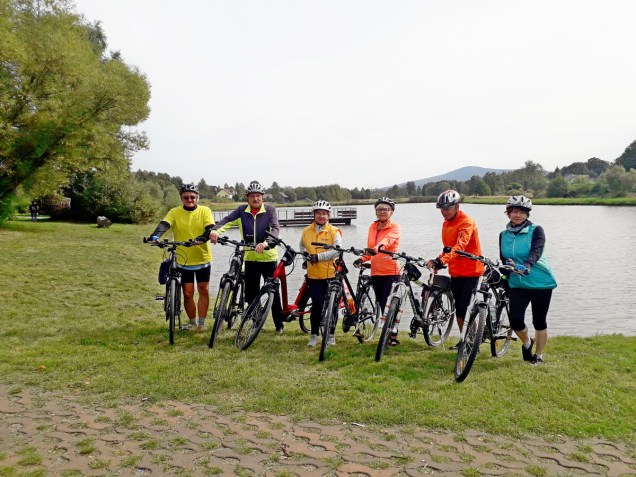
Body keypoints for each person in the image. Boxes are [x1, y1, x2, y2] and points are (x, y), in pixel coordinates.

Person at [204, 181, 285, 333]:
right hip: (250, 258)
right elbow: (227, 221)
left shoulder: (270, 210)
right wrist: (215, 230)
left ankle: (279, 325)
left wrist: (266, 243)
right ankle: (256, 320)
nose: (256, 199)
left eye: (258, 196)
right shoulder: (242, 210)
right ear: (247, 198)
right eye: (252, 196)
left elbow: (275, 229)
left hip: (269, 258)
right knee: (251, 294)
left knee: (273, 292)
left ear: (262, 197)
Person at [499, 195, 557, 365]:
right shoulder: (503, 235)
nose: (517, 215)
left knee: (539, 321)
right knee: (515, 320)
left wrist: (527, 265)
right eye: (514, 211)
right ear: (508, 213)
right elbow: (504, 259)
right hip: (517, 283)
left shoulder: (536, 230)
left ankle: (538, 355)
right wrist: (504, 276)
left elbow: (536, 251)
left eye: (521, 212)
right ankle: (527, 342)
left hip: (540, 283)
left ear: (527, 214)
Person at [148, 183, 214, 331]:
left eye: (192, 197)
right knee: (188, 293)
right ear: (181, 198)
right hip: (183, 259)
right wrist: (155, 236)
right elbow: (164, 224)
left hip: (202, 257)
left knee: (203, 290)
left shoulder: (205, 211)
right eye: (186, 197)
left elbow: (210, 228)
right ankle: (192, 323)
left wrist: (203, 237)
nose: (189, 199)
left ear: (197, 197)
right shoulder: (175, 212)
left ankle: (201, 324)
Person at [426, 190, 484, 349]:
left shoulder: (466, 222)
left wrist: (442, 260)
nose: (444, 212)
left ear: (457, 206)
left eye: (447, 208)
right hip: (456, 272)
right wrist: (438, 259)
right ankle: (465, 340)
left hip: (472, 271)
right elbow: (448, 248)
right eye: (441, 209)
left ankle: (473, 341)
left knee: (466, 308)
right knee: (459, 308)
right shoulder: (446, 223)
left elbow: (459, 247)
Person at [353, 197, 402, 346]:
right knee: (381, 303)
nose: (382, 212)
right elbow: (370, 250)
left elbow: (386, 242)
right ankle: (388, 332)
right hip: (376, 272)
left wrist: (375, 249)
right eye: (379, 209)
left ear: (391, 212)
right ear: (375, 211)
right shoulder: (372, 227)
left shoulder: (395, 227)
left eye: (385, 209)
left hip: (391, 271)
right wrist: (362, 259)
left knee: (389, 305)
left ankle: (392, 335)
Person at [299, 200, 343, 347]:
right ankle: (314, 335)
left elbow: (337, 251)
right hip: (313, 276)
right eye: (318, 213)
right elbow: (302, 247)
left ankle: (331, 335)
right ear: (314, 215)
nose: (321, 216)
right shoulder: (306, 231)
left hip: (331, 274)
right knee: (317, 305)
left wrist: (318, 257)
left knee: (333, 306)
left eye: (324, 213)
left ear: (328, 215)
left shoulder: (334, 231)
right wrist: (305, 258)